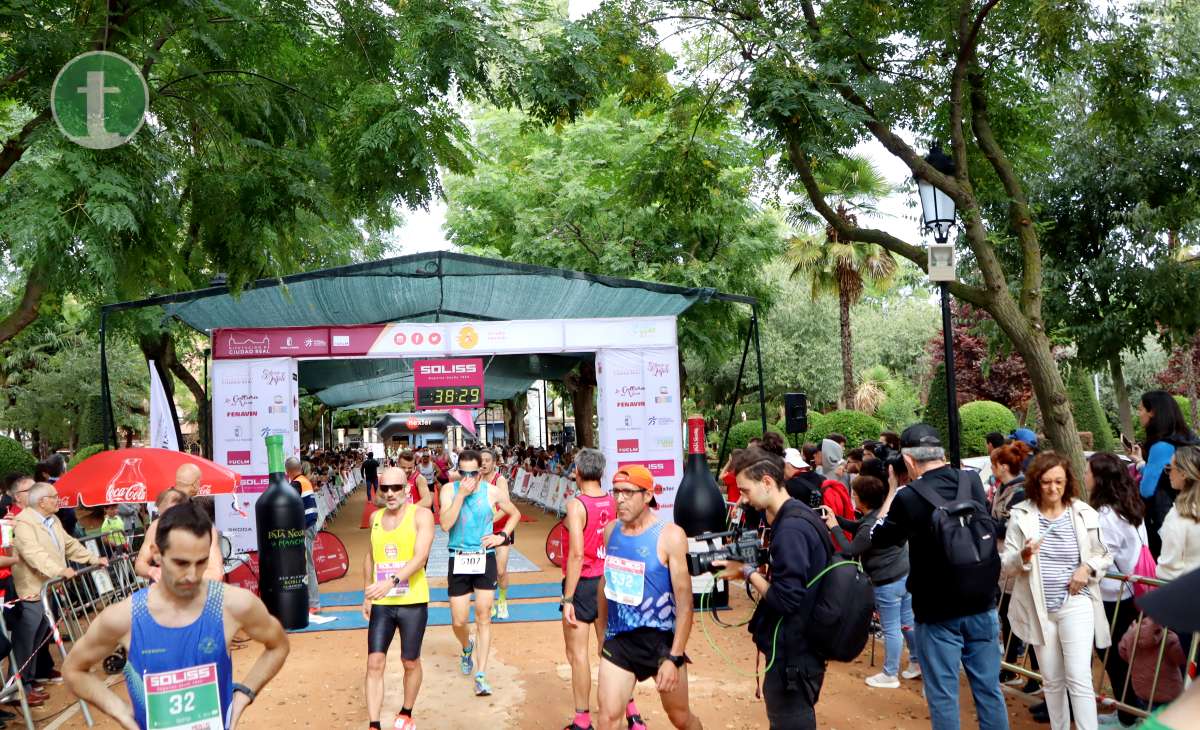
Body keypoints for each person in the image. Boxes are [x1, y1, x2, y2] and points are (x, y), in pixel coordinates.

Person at [63, 502, 289, 730]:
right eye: (181, 563)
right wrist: (121, 712)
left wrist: (243, 695)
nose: (192, 575)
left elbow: (278, 644)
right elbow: (73, 670)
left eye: (201, 562)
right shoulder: (124, 617)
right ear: (156, 554)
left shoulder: (233, 604)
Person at [869, 424, 1008, 730]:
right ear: (942, 453)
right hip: (982, 603)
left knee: (943, 695)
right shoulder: (971, 480)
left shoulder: (908, 497)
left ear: (907, 461)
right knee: (988, 690)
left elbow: (878, 537)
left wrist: (893, 490)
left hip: (936, 612)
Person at [712, 447, 828, 729]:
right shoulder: (798, 515)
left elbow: (786, 599)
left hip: (794, 654)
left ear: (766, 482)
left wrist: (746, 572)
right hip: (800, 647)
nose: (741, 499)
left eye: (745, 490)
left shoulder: (791, 530)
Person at [1000, 452, 1112, 730]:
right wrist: (1023, 555)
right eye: (1046, 482)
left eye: (1058, 482)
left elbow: (1104, 555)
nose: (1053, 488)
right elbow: (1007, 564)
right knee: (1051, 679)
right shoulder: (1021, 514)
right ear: (1036, 483)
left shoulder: (1083, 513)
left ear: (1067, 482)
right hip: (1037, 608)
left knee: (1078, 676)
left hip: (1075, 602)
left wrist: (1086, 568)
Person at [595, 466, 701, 730]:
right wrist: (601, 635)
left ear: (647, 495)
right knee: (607, 718)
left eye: (628, 493)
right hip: (620, 640)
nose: (619, 499)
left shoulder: (670, 535)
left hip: (661, 643)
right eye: (616, 491)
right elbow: (605, 584)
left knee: (680, 717)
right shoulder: (611, 531)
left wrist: (674, 657)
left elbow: (685, 603)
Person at [560, 449, 646, 730]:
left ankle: (582, 720)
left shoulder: (577, 504)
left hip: (584, 583)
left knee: (578, 655)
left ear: (578, 472)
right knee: (611, 651)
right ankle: (632, 714)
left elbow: (575, 553)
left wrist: (568, 597)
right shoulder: (614, 501)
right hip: (612, 581)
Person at [11, 482, 110, 705]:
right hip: (31, 591)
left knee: (39, 638)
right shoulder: (23, 523)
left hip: (49, 588)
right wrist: (59, 570)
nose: (59, 500)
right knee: (26, 640)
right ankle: (18, 688)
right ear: (41, 501)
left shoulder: (53, 520)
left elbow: (70, 544)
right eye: (54, 497)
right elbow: (33, 554)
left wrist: (93, 558)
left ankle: (28, 682)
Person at [820, 475, 919, 689]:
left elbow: (849, 549)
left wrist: (835, 527)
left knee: (891, 627)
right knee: (907, 622)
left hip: (887, 581)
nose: (852, 497)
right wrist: (835, 518)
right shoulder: (883, 515)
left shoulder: (871, 524)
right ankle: (917, 661)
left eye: (854, 495)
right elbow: (860, 526)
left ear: (862, 500)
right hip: (904, 574)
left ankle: (890, 674)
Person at [439, 449, 520, 696]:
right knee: (459, 620)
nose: (468, 477)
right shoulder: (449, 491)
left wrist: (501, 536)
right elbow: (445, 524)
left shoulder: (492, 491)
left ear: (481, 471)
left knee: (484, 615)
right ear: (458, 471)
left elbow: (514, 513)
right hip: (459, 558)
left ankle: (482, 674)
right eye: (463, 473)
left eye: (473, 473)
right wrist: (461, 495)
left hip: (484, 558)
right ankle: (467, 647)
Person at [362, 467, 434, 730]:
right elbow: (370, 556)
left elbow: (420, 558)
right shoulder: (375, 518)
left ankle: (406, 711)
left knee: (410, 661)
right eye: (385, 488)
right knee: (374, 661)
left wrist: (390, 582)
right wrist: (367, 593)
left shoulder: (422, 516)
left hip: (412, 601)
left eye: (396, 488)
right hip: (382, 602)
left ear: (406, 489)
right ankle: (374, 724)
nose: (390, 493)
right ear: (379, 491)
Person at [1086, 452, 1149, 726]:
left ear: (1100, 478)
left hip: (1113, 595)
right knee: (1123, 657)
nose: (1085, 476)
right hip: (1129, 592)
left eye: (1088, 472)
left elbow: (1103, 557)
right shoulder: (1128, 504)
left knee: (1113, 657)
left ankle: (1127, 716)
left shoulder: (1106, 515)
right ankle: (1129, 711)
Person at [1132, 391, 1197, 559]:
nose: (1139, 414)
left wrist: (1140, 468)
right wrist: (1141, 464)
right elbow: (1161, 475)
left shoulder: (1161, 445)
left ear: (1152, 412)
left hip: (1165, 517)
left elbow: (1147, 489)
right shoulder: (1188, 438)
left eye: (1140, 409)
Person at [136, 488, 223, 583]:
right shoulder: (155, 527)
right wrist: (151, 571)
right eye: (162, 514)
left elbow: (215, 572)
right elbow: (140, 564)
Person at [480, 449, 516, 620]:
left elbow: (506, 507)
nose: (484, 463)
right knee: (487, 571)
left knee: (500, 570)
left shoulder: (499, 480)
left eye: (487, 460)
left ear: (494, 462)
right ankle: (490, 602)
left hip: (501, 530)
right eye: (481, 460)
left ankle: (502, 600)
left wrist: (491, 520)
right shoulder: (476, 479)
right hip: (482, 532)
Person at [1157, 444, 1200, 580]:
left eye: (1170, 468)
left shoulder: (1178, 515)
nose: (1168, 473)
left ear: (1183, 473)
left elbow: (1168, 571)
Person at [285, 457, 322, 616]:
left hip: (305, 527)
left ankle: (313, 604)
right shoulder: (304, 481)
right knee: (306, 565)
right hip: (309, 526)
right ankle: (309, 601)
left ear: (288, 471)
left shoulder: (296, 484)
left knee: (308, 566)